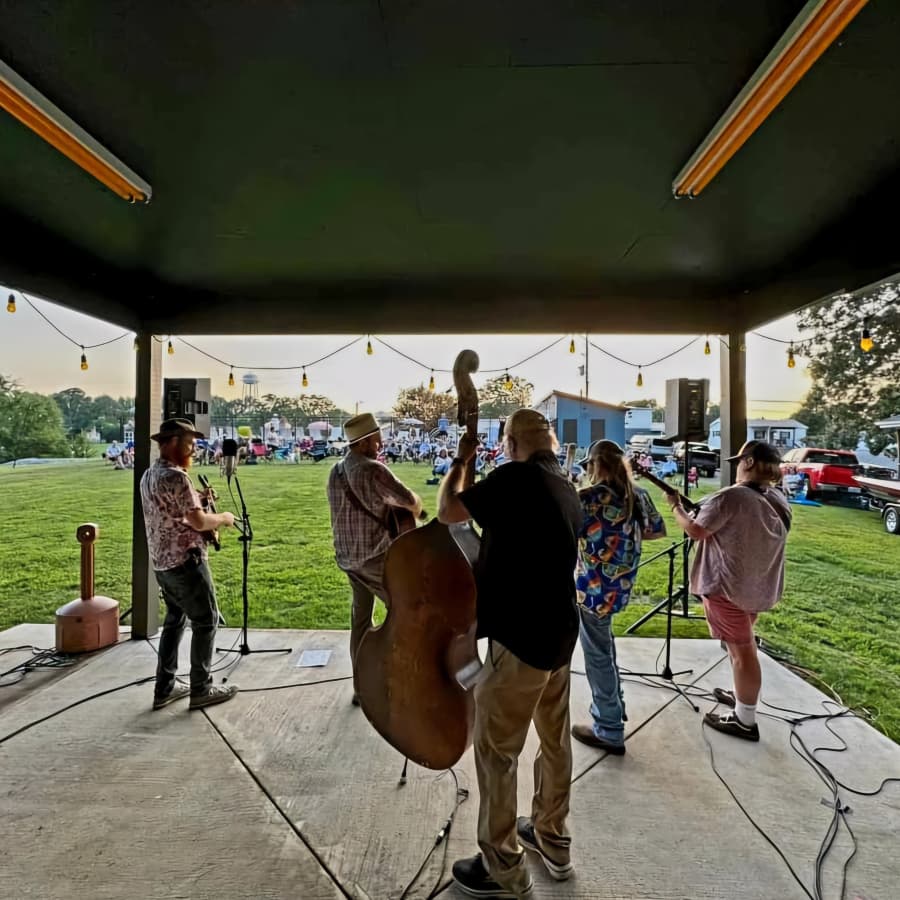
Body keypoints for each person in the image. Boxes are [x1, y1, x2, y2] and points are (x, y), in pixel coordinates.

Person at [438, 409, 582, 899]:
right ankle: (552, 837)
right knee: (555, 740)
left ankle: (502, 866)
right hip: (561, 634)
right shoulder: (563, 483)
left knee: (497, 752)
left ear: (513, 443)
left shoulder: (515, 477)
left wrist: (460, 463)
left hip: (521, 641)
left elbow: (449, 513)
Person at [665, 440, 791, 742]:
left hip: (728, 589)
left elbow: (696, 529)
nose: (736, 466)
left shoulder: (732, 497)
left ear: (748, 462)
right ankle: (741, 695)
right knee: (743, 647)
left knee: (742, 654)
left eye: (739, 461)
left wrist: (676, 508)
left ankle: (745, 719)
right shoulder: (778, 498)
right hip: (757, 588)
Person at [571, 440, 666, 754]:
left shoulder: (591, 497)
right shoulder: (638, 495)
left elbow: (565, 528)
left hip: (590, 590)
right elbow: (656, 531)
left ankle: (609, 728)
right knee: (605, 647)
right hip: (619, 587)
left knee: (597, 655)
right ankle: (616, 705)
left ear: (596, 465)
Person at [139, 418, 238, 711]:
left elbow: (175, 510)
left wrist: (201, 498)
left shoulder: (150, 475)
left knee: (175, 621)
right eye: (188, 442)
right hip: (186, 561)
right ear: (170, 442)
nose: (193, 448)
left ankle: (165, 687)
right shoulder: (177, 477)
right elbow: (197, 521)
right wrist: (224, 518)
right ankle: (201, 689)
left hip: (162, 563)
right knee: (206, 620)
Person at [326, 413, 424, 703]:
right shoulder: (373, 470)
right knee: (407, 615)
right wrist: (414, 506)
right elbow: (411, 502)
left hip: (347, 558)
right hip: (375, 558)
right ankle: (403, 679)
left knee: (360, 620)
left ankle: (361, 687)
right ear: (365, 441)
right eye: (377, 437)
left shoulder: (336, 471)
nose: (381, 442)